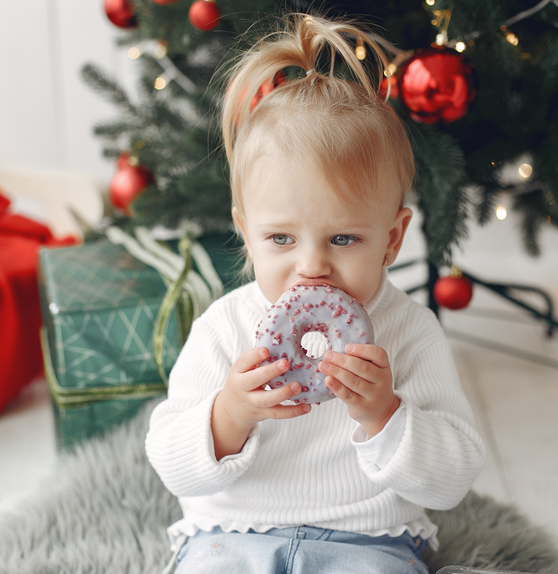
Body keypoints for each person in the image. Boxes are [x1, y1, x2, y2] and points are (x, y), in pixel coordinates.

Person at [145, 13, 486, 574]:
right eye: (281, 238)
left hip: (370, 540)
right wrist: (228, 414)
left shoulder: (411, 332)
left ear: (392, 239)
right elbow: (171, 464)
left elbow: (452, 480)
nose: (312, 268)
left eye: (344, 238)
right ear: (246, 234)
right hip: (230, 533)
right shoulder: (224, 327)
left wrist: (386, 415)